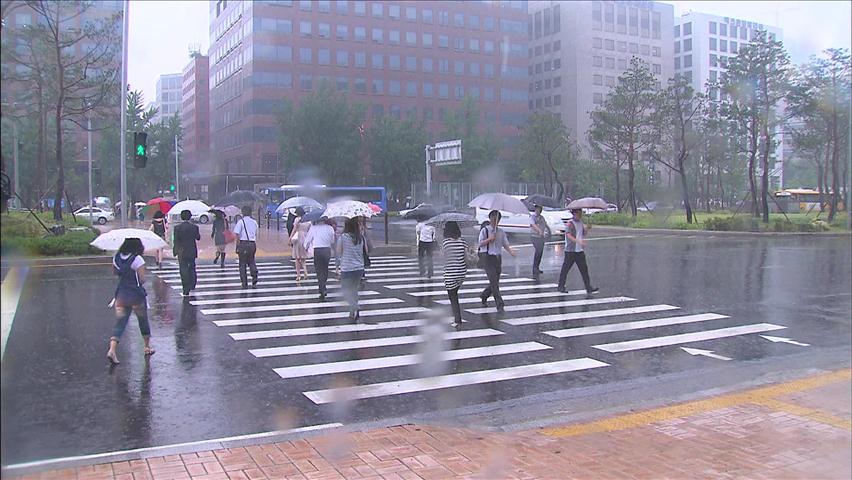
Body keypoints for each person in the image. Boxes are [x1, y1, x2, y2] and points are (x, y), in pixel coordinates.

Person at [107, 238, 154, 364]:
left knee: (120, 324)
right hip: (136, 296)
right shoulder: (137, 259)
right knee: (143, 321)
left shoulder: (116, 258)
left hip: (121, 295)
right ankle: (147, 347)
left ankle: (112, 349)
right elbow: (142, 279)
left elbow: (115, 273)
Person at [478, 210, 516, 312]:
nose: (495, 221)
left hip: (498, 258)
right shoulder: (485, 230)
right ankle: (500, 304)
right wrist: (489, 239)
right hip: (487, 258)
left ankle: (484, 295)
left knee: (495, 282)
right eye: (493, 219)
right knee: (494, 282)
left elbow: (505, 244)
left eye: (497, 219)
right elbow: (480, 243)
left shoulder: (501, 232)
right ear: (490, 219)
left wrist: (511, 251)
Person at [557, 209, 599, 295]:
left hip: (579, 250)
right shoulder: (570, 224)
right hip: (570, 251)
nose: (580, 215)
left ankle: (588, 287)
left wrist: (587, 228)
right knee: (565, 269)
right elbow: (568, 235)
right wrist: (578, 241)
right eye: (579, 213)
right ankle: (561, 286)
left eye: (581, 213)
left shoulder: (580, 223)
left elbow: (583, 234)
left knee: (584, 269)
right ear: (574, 213)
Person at [337, 216, 367, 320]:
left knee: (345, 290)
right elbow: (366, 251)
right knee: (354, 289)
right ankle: (352, 311)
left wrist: (337, 267)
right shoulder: (361, 237)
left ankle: (354, 306)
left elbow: (339, 252)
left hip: (347, 268)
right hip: (359, 268)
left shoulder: (343, 237)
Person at [441, 221, 468, 327]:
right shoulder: (463, 242)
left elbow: (443, 258)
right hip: (461, 273)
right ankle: (457, 318)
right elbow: (465, 257)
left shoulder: (446, 243)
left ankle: (457, 319)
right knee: (455, 294)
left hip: (450, 274)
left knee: (453, 297)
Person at [303, 215, 336, 300]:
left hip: (317, 250)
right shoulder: (330, 228)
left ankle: (321, 288)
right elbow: (332, 240)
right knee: (325, 269)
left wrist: (305, 247)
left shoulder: (314, 228)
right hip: (327, 249)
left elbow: (307, 240)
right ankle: (323, 286)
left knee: (318, 270)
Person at [173, 209, 201, 297]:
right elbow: (198, 238)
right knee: (192, 267)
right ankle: (192, 284)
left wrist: (175, 250)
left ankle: (185, 288)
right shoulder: (194, 227)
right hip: (192, 250)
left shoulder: (177, 227)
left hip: (181, 250)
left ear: (181, 217)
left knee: (183, 269)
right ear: (190, 217)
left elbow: (176, 240)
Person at [233, 205, 259, 288]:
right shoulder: (254, 222)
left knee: (242, 263)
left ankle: (244, 282)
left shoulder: (241, 222)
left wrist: (237, 245)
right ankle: (254, 275)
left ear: (243, 213)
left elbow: (237, 234)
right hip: (252, 244)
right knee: (251, 261)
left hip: (243, 244)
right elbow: (256, 233)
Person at [289, 207, 309, 283]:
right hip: (305, 237)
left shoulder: (297, 220)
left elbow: (294, 230)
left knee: (297, 258)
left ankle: (298, 275)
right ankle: (305, 272)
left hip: (298, 238)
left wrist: (290, 238)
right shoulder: (308, 220)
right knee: (303, 257)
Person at [529, 204, 549, 278]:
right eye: (537, 209)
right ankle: (534, 268)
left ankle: (537, 267)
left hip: (541, 237)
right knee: (538, 251)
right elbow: (533, 225)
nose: (538, 211)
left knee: (540, 252)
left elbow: (545, 225)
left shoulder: (542, 218)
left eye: (540, 209)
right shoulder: (532, 217)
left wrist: (544, 232)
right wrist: (539, 230)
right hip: (534, 236)